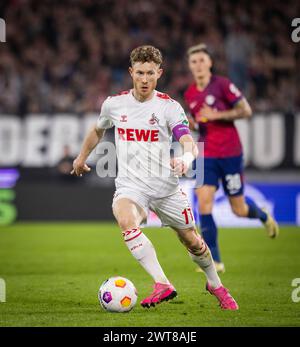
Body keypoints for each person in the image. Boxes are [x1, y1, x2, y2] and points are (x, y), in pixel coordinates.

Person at [71, 45, 238, 310]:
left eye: (150, 73)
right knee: (125, 219)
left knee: (192, 242)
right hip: (131, 186)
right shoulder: (114, 104)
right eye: (140, 73)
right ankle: (162, 283)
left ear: (159, 73)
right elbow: (97, 130)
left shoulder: (169, 107)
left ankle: (215, 284)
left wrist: (184, 160)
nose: (145, 79)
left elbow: (189, 143)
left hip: (166, 189)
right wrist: (81, 158)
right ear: (131, 72)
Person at [184, 43, 279, 273]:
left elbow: (246, 110)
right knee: (203, 202)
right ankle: (214, 260)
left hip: (230, 153)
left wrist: (218, 114)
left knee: (239, 209)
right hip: (205, 153)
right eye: (193, 61)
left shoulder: (223, 85)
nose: (198, 65)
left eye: (201, 60)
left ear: (210, 63)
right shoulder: (189, 93)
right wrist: (194, 124)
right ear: (190, 65)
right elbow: (200, 124)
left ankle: (263, 216)